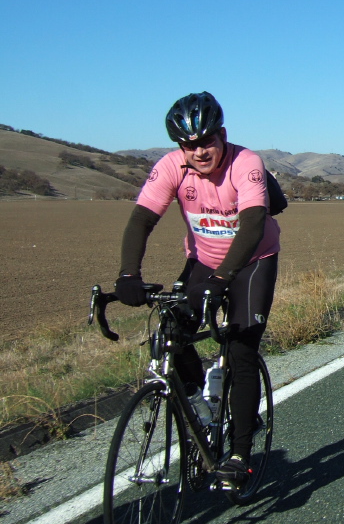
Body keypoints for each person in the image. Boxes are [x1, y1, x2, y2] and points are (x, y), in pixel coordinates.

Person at [114, 91, 280, 488]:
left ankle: (240, 454)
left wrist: (224, 281)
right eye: (189, 145)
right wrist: (127, 275)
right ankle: (197, 404)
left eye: (207, 141)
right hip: (204, 261)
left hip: (252, 262)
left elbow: (254, 223)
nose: (199, 151)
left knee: (240, 350)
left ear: (222, 134)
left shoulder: (246, 162)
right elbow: (140, 220)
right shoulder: (172, 166)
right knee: (171, 331)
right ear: (179, 147)